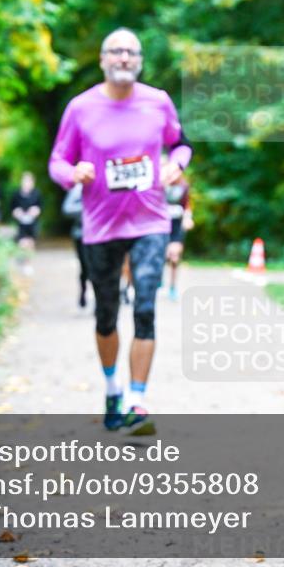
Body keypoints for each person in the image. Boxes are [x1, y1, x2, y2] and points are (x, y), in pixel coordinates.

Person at [48, 27, 192, 434]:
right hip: (100, 226)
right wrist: (72, 173)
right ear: (103, 59)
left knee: (145, 308)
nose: (124, 58)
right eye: (116, 51)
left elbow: (181, 144)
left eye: (131, 52)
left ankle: (137, 400)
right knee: (106, 314)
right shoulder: (80, 108)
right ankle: (112, 388)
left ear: (140, 59)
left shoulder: (157, 102)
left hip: (150, 221)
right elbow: (57, 161)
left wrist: (175, 166)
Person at [162, 164, 193, 301]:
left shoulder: (184, 187)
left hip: (176, 226)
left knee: (174, 256)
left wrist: (188, 219)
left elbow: (187, 206)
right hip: (161, 226)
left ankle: (173, 287)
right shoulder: (160, 185)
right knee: (160, 254)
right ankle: (158, 279)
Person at [61, 183, 88, 308]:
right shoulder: (77, 189)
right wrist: (88, 207)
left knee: (100, 269)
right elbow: (67, 208)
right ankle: (83, 292)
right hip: (81, 234)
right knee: (85, 267)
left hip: (102, 234)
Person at [10, 171, 42, 251]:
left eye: (29, 181)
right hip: (21, 223)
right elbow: (12, 208)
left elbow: (41, 207)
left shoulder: (37, 193)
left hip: (33, 222)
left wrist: (36, 210)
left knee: (31, 242)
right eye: (25, 181)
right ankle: (23, 258)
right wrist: (16, 212)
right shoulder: (16, 193)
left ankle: (29, 259)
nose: (27, 183)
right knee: (22, 242)